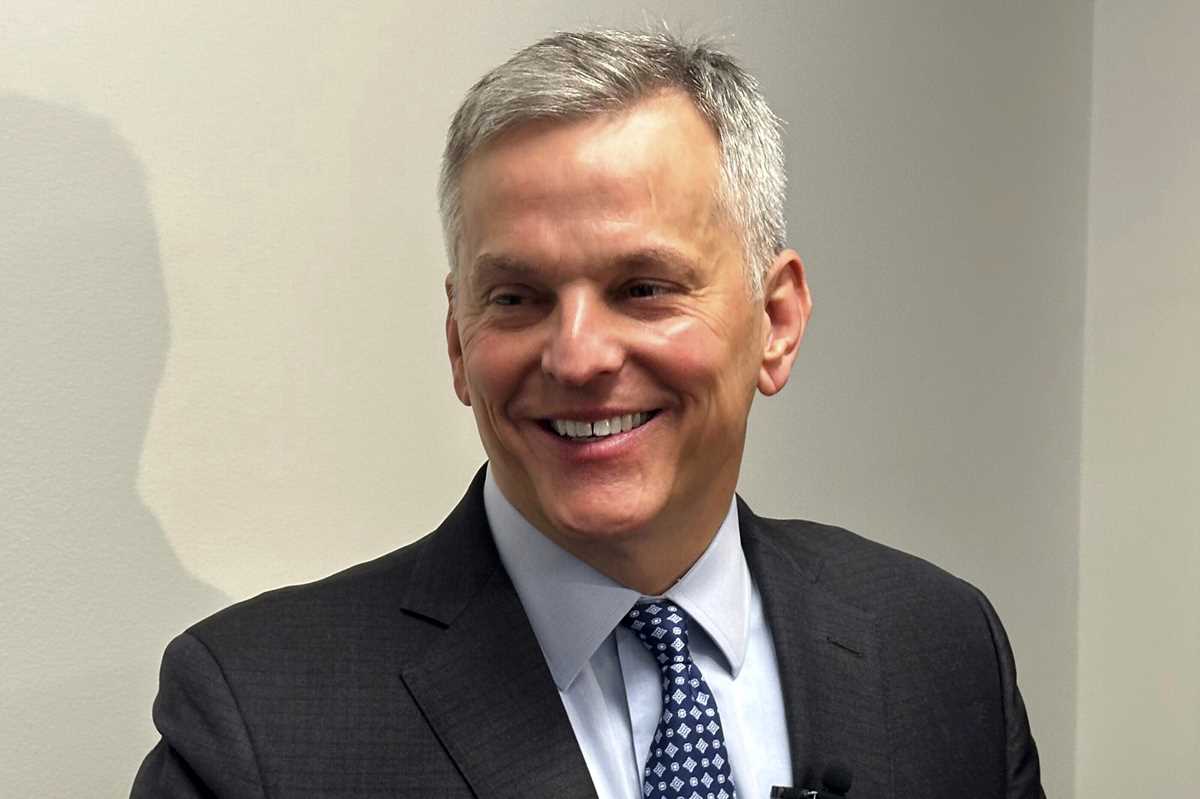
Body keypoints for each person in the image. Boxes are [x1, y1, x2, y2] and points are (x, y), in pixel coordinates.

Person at [132, 29, 1044, 799]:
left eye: (642, 287)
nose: (576, 356)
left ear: (776, 322)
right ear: (457, 341)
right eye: (517, 298)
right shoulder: (259, 722)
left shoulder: (938, 648)